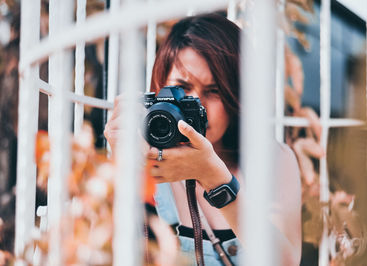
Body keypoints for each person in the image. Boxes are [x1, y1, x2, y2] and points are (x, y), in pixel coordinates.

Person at [104, 13, 301, 265]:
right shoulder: (144, 157)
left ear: (237, 96)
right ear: (159, 89)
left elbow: (286, 262)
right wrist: (121, 171)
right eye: (183, 89)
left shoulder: (273, 160)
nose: (198, 105)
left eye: (214, 91)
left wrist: (214, 178)